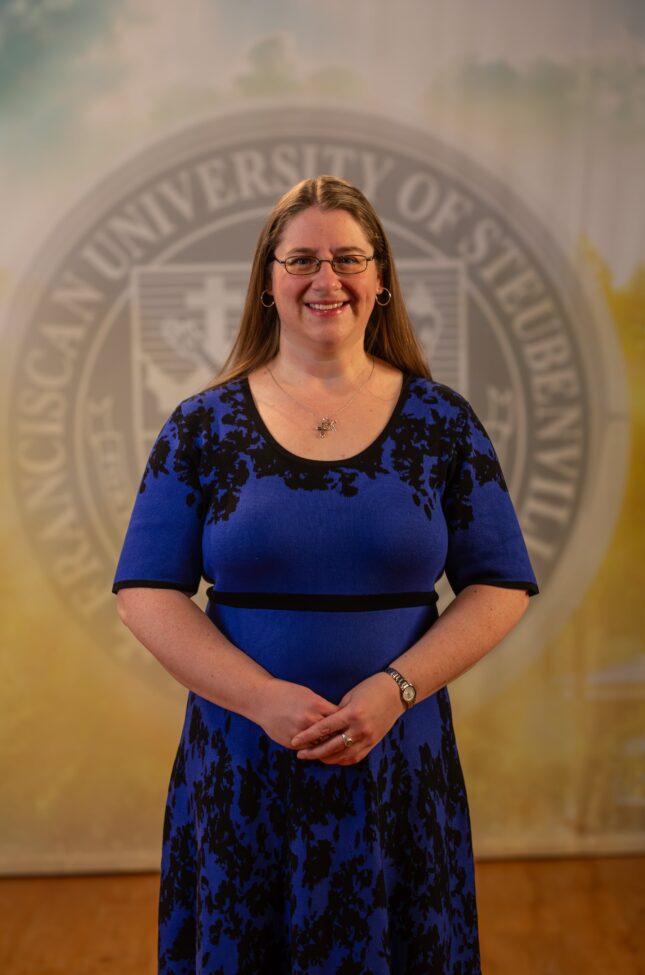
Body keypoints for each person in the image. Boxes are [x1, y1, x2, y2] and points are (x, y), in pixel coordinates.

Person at [113, 175, 538, 975]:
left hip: (399, 767)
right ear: (268, 281)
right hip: (242, 768)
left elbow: (500, 585)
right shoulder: (201, 426)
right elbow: (145, 593)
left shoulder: (444, 422)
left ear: (380, 279)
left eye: (348, 258)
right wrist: (260, 698)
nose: (326, 279)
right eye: (301, 259)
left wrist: (396, 690)